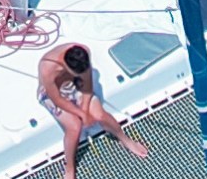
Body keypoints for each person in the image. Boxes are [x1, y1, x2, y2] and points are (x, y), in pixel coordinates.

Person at [37, 43, 149, 179]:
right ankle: (69, 166)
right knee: (74, 128)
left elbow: (87, 83)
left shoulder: (83, 52)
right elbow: (57, 100)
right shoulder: (47, 68)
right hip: (53, 93)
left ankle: (125, 140)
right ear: (66, 67)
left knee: (100, 115)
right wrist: (81, 115)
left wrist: (84, 110)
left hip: (75, 85)